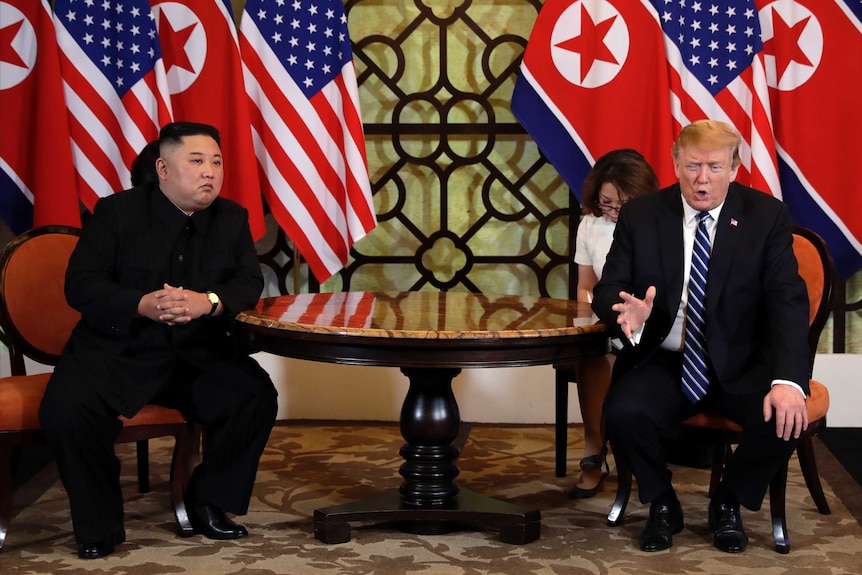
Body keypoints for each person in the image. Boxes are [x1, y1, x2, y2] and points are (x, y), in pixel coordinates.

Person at [39, 122, 279, 559]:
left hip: (195, 352)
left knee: (254, 396)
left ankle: (208, 501)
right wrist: (141, 305)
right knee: (67, 411)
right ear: (163, 169)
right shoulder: (115, 212)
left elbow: (247, 281)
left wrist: (207, 302)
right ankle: (99, 526)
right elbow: (82, 284)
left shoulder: (233, 217)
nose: (210, 171)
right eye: (197, 161)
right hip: (117, 349)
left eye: (217, 162)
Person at [594, 120, 809, 553]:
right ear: (675, 164)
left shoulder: (765, 216)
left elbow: (788, 303)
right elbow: (606, 290)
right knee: (622, 412)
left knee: (785, 420)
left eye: (714, 167)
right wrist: (626, 308)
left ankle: (728, 503)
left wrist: (789, 381)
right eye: (692, 166)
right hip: (667, 357)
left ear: (734, 168)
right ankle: (663, 503)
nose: (702, 179)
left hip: (742, 362)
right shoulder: (643, 214)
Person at [568, 149, 658, 499]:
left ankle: (638, 451)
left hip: (653, 320)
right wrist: (592, 321)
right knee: (592, 353)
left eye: (625, 203)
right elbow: (585, 287)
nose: (615, 211)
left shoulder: (661, 223)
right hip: (608, 317)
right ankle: (594, 449)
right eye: (607, 203)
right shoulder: (591, 224)